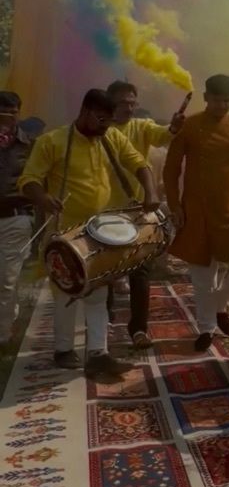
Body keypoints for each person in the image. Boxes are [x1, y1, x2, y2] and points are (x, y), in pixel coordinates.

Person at [18, 89, 158, 375]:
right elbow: (29, 179)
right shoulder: (52, 141)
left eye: (109, 121)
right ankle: (63, 350)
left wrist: (151, 192)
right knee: (66, 292)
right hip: (64, 232)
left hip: (99, 231)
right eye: (102, 120)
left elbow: (140, 164)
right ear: (85, 112)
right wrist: (43, 199)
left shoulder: (110, 136)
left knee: (97, 292)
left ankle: (98, 353)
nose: (107, 126)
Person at [164, 74, 229, 352]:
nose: (222, 105)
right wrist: (174, 206)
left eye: (227, 100)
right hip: (197, 210)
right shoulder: (189, 127)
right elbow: (171, 170)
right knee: (203, 274)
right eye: (217, 100)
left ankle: (219, 305)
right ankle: (206, 327)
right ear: (206, 98)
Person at [104, 79, 186, 348]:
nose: (128, 107)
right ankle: (103, 319)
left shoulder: (141, 127)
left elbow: (164, 134)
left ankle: (138, 329)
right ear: (109, 104)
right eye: (122, 103)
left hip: (139, 209)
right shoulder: (98, 131)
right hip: (105, 211)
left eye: (132, 102)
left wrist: (174, 126)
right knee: (105, 269)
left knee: (141, 270)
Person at [0, 93, 35, 351]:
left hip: (15, 218)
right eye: (4, 110)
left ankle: (2, 335)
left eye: (13, 111)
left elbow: (36, 181)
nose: (9, 115)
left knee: (7, 279)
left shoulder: (29, 146)